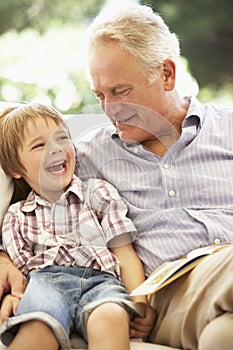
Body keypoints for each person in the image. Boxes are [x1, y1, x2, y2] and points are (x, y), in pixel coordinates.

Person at [74, 4, 233, 350]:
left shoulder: (229, 130)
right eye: (100, 95)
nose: (109, 109)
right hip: (167, 291)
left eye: (120, 91)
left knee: (224, 336)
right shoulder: (87, 157)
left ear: (167, 74)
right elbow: (30, 213)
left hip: (221, 292)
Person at [0, 102, 154, 350]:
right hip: (45, 284)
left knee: (111, 317)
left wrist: (139, 301)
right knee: (39, 325)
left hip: (102, 282)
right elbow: (20, 276)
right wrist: (14, 298)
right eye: (40, 145)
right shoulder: (16, 216)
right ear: (15, 169)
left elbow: (125, 254)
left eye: (62, 138)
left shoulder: (98, 193)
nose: (56, 149)